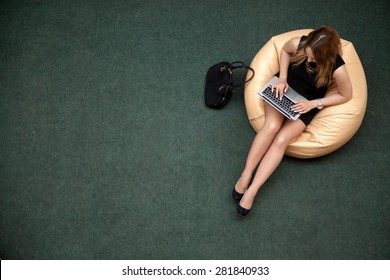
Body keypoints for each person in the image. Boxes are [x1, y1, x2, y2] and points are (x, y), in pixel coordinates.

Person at [233, 26, 352, 216]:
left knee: (281, 140)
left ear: (327, 56)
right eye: (307, 55)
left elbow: (346, 96)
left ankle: (253, 189)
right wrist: (282, 78)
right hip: (284, 88)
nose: (309, 60)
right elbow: (285, 51)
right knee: (271, 126)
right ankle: (246, 174)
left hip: (307, 102)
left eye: (314, 58)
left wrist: (314, 104)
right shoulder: (299, 43)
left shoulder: (337, 68)